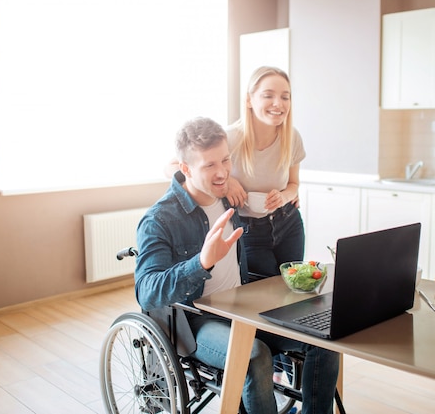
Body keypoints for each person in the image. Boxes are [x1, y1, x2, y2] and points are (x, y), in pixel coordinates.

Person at [134, 117, 339, 414]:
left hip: (242, 308)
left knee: (322, 338)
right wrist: (202, 262)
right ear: (186, 169)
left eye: (226, 160)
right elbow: (147, 292)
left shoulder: (232, 200)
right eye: (209, 166)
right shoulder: (160, 219)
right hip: (196, 321)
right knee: (255, 356)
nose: (222, 173)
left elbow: (278, 199)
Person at [225, 66, 306, 276]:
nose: (278, 104)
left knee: (293, 290)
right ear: (249, 100)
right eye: (268, 95)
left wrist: (283, 196)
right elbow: (174, 167)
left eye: (285, 97)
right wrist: (228, 183)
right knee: (266, 295)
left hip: (288, 222)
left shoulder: (292, 137)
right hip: (248, 230)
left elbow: (294, 185)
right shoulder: (229, 138)